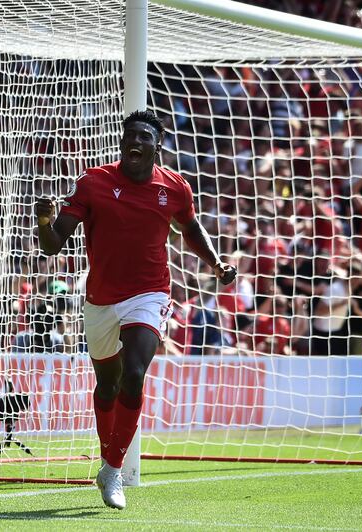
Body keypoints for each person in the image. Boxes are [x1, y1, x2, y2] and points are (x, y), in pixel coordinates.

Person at [35, 110, 236, 510]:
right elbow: (52, 245)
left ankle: (112, 469)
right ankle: (108, 452)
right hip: (101, 300)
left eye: (144, 136)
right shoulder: (94, 183)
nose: (136, 141)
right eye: (130, 136)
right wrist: (44, 219)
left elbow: (190, 228)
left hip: (150, 293)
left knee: (135, 373)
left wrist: (215, 263)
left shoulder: (175, 187)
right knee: (107, 386)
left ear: (156, 146)